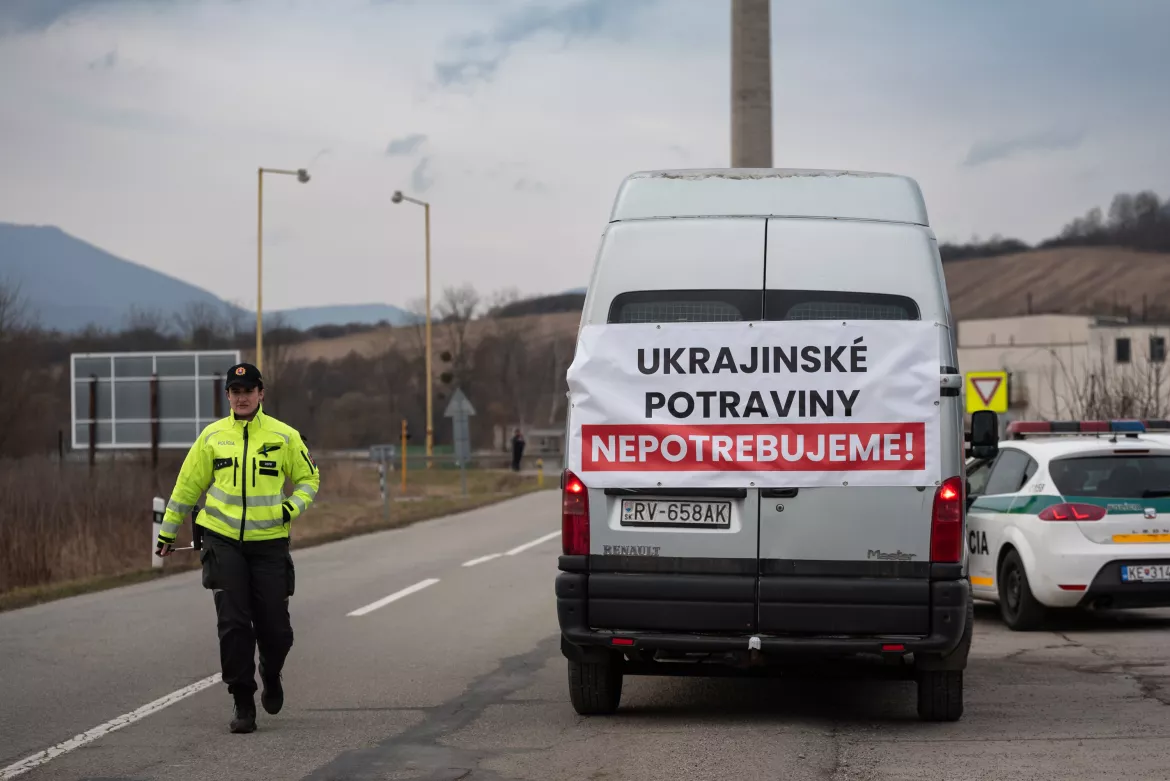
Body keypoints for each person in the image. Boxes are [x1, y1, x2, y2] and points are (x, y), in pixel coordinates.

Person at [155, 362, 319, 734]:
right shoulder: (212, 437)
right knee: (233, 623)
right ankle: (243, 700)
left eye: (248, 391)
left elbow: (310, 478)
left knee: (276, 631)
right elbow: (186, 487)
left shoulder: (285, 436)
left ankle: (271, 671)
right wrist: (167, 532)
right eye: (235, 391)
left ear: (261, 394)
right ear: (228, 396)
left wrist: (292, 507)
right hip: (221, 539)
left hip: (269, 544)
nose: (242, 397)